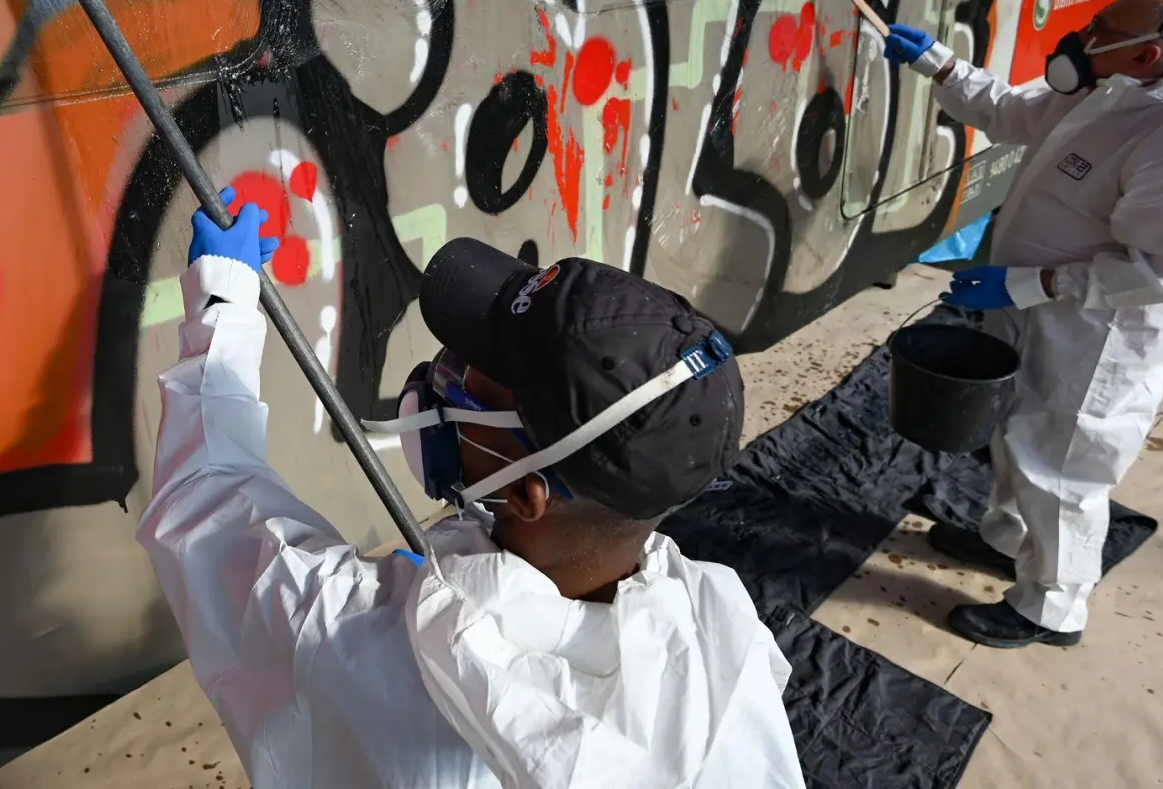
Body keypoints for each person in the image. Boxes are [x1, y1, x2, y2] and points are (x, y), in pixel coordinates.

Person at [135, 190, 807, 788]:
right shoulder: (720, 646)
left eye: (468, 383)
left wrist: (221, 308)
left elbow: (205, 502)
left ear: (528, 495)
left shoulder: (356, 643)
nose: (441, 378)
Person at [884, 0, 1163, 649]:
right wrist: (942, 67)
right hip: (1031, 308)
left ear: (1150, 52)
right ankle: (1009, 541)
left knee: (1063, 465)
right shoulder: (1107, 89)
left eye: (1101, 26)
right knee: (1013, 433)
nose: (1085, 33)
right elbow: (1011, 112)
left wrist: (1034, 283)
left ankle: (1051, 606)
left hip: (1096, 337)